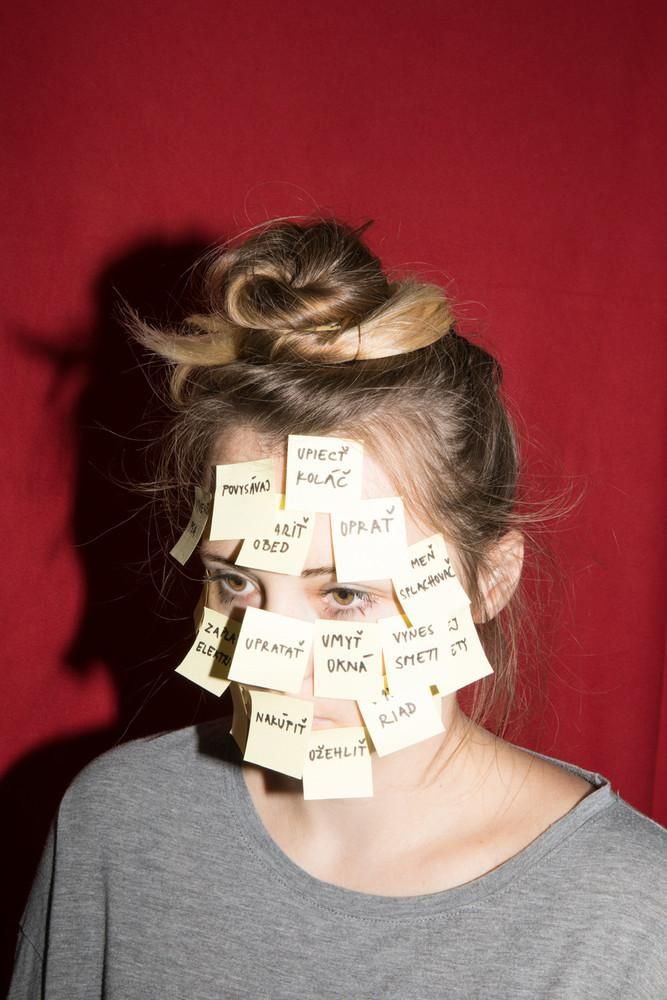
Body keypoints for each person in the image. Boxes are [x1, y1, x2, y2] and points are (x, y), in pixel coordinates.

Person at [9, 219, 667, 999]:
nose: (268, 664)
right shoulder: (117, 826)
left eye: (346, 594)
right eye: (237, 583)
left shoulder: (632, 914)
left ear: (488, 582)